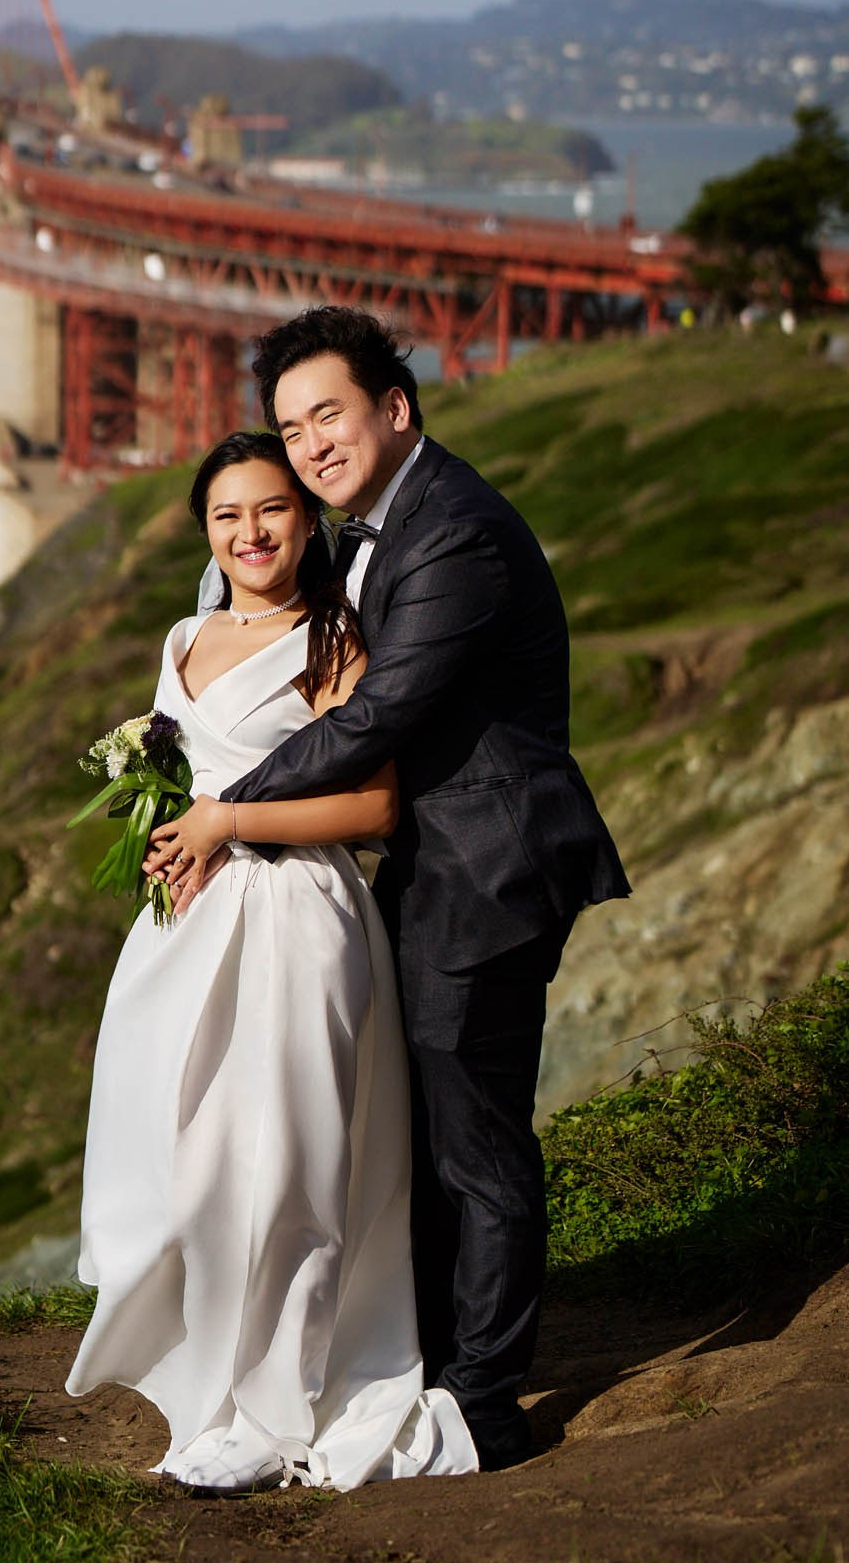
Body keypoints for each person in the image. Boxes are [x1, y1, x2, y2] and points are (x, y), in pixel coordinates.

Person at [164, 306, 629, 1473]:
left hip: (491, 866)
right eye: (292, 427)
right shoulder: (372, 525)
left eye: (329, 414)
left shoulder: (454, 530)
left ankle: (484, 1408)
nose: (311, 444)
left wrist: (226, 807)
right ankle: (417, 1363)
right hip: (438, 866)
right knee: (418, 1135)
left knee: (476, 1146)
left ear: (395, 407)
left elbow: (381, 714)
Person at [66, 432, 478, 1494]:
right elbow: (188, 770)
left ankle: (273, 1406)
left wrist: (228, 823)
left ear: (307, 521)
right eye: (226, 515)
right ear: (204, 531)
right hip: (188, 927)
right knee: (178, 1163)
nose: (249, 533)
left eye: (272, 510)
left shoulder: (331, 641)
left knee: (288, 1163)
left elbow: (374, 808)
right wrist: (166, 832)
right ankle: (211, 1384)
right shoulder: (185, 634)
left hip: (296, 916)